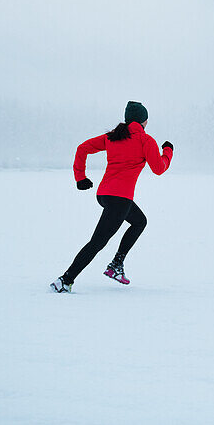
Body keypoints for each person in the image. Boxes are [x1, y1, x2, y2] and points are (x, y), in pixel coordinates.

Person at [51, 101, 174, 293]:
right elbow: (159, 168)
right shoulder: (145, 140)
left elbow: (82, 148)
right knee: (98, 242)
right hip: (120, 198)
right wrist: (168, 151)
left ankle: (116, 264)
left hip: (105, 195)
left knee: (140, 221)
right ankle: (65, 280)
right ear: (144, 121)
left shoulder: (113, 137)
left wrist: (80, 178)